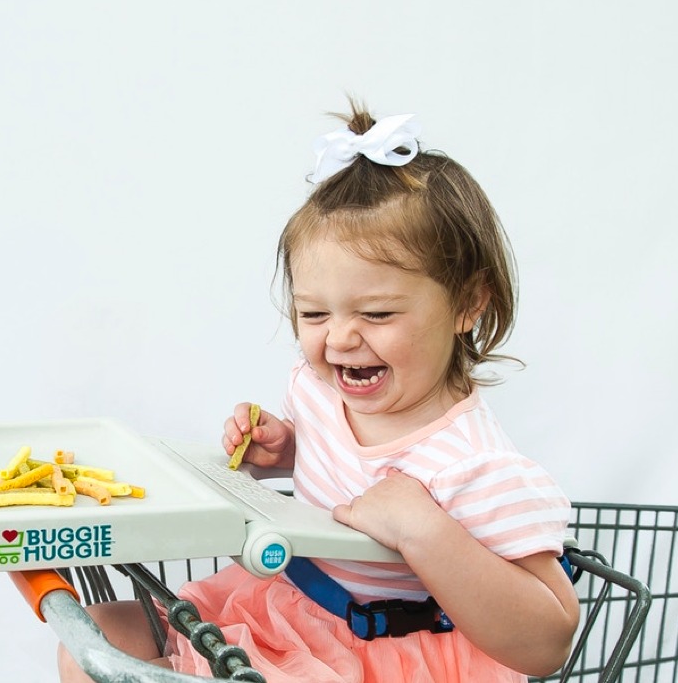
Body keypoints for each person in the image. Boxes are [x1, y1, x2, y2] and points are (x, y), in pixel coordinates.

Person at [57, 101, 580, 683]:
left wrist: (426, 531)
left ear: (468, 303)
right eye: (312, 313)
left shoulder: (477, 467)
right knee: (97, 637)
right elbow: (343, 462)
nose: (340, 338)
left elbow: (548, 642)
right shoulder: (318, 393)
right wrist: (288, 449)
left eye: (377, 313)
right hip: (286, 613)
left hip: (386, 650)